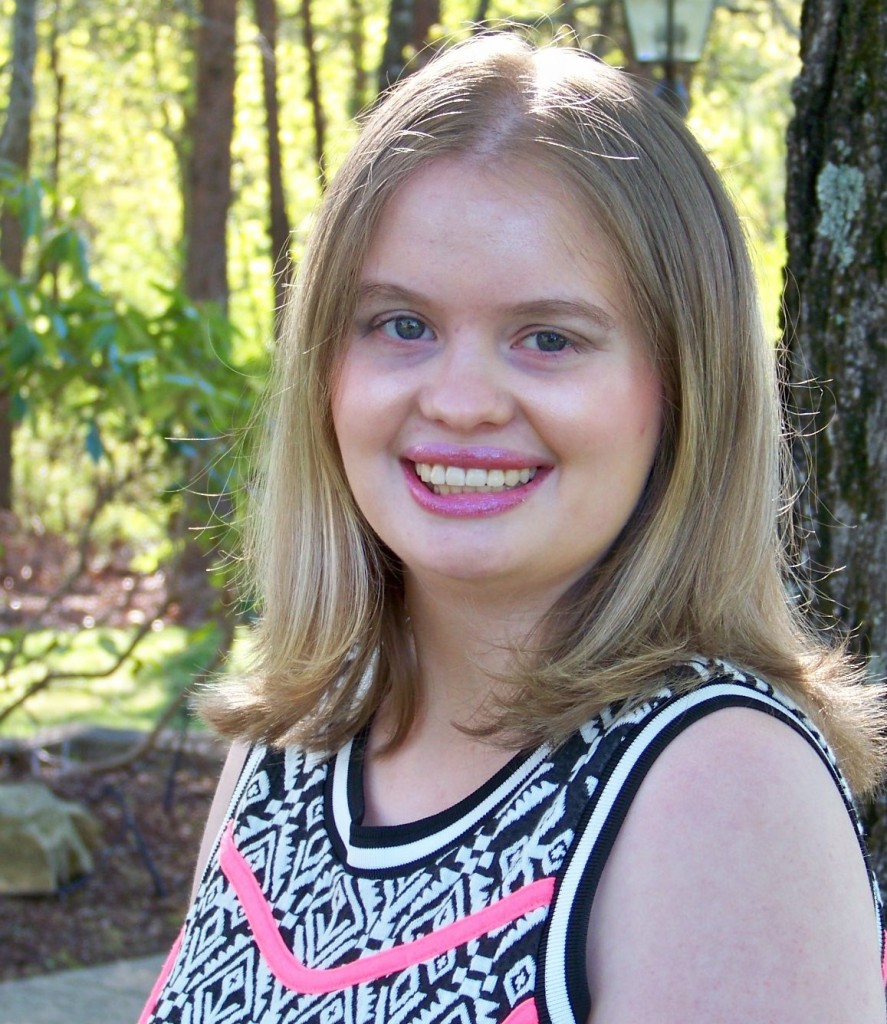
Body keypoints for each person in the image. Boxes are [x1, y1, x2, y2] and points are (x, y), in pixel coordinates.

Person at [139, 32, 887, 1024]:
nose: (459, 402)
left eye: (546, 338)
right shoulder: (288, 748)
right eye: (401, 324)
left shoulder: (721, 787)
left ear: (681, 391)